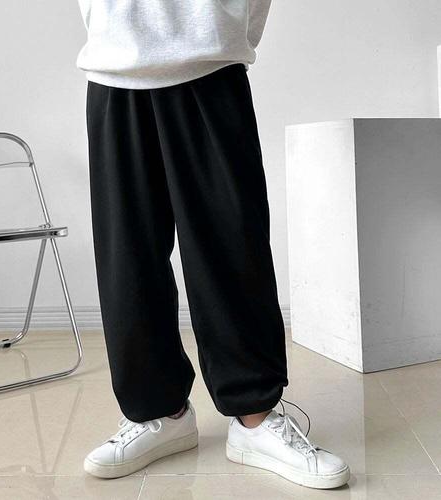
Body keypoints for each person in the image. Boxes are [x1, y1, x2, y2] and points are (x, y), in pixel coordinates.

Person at [76, 0, 350, 490]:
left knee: (232, 249)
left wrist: (225, 30)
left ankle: (255, 418)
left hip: (209, 65)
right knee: (127, 260)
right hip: (113, 70)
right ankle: (157, 413)